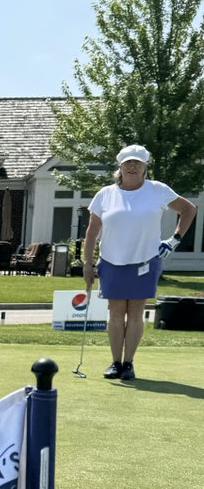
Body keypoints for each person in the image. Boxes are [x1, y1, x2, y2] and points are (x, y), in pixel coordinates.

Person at [83, 144, 196, 381]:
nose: (132, 166)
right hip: (111, 260)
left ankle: (129, 363)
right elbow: (92, 232)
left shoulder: (158, 190)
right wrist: (87, 263)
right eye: (128, 163)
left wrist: (174, 240)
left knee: (135, 313)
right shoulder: (105, 194)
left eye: (138, 163)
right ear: (120, 166)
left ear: (145, 167)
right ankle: (115, 362)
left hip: (145, 259)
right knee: (115, 313)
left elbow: (188, 210)